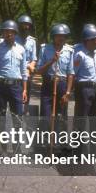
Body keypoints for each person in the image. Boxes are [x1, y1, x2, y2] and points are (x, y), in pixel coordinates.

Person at [36, 23, 75, 154]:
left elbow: (71, 73)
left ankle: (60, 146)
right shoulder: (44, 49)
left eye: (64, 36)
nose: (61, 39)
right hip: (48, 84)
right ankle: (46, 145)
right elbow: (39, 71)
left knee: (61, 117)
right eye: (58, 36)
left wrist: (68, 92)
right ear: (53, 37)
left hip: (62, 85)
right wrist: (52, 61)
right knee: (47, 117)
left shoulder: (69, 51)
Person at [0, 20, 28, 154]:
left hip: (16, 87)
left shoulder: (21, 49)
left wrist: (24, 89)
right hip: (0, 85)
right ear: (3, 33)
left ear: (15, 34)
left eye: (11, 32)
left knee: (17, 117)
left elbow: (24, 71)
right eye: (6, 32)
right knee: (0, 116)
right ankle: (2, 147)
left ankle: (17, 149)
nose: (8, 34)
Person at [72, 24, 96, 156]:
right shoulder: (79, 55)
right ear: (88, 40)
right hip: (84, 88)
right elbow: (73, 74)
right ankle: (77, 151)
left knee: (95, 120)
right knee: (81, 119)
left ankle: (95, 151)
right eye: (95, 39)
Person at [15, 14, 37, 115]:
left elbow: (34, 59)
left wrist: (30, 67)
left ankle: (25, 113)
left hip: (28, 74)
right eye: (23, 25)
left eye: (28, 25)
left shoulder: (32, 41)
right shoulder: (14, 39)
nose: (26, 27)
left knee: (26, 96)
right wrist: (27, 66)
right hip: (16, 72)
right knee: (16, 98)